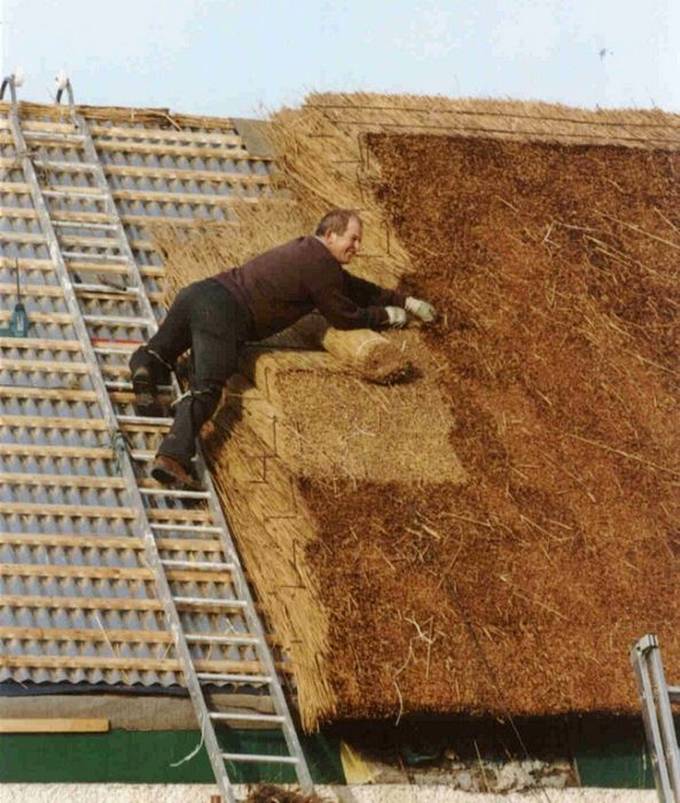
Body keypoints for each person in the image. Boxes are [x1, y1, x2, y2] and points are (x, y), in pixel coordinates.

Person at [129, 208, 437, 489]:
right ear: (330, 235)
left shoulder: (307, 251)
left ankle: (143, 373)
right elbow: (343, 316)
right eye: (352, 239)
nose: (357, 247)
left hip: (200, 293)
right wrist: (385, 316)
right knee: (206, 388)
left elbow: (353, 286)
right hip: (224, 314)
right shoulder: (321, 265)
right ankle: (171, 458)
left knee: (160, 350)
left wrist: (403, 300)